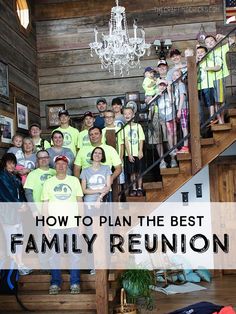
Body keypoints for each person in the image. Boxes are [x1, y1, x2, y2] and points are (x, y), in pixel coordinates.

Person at [41, 155, 83, 295]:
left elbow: (80, 203)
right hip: (54, 224)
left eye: (63, 164)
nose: (61, 166)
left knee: (74, 254)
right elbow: (45, 206)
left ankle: (75, 282)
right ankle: (55, 283)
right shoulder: (48, 182)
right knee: (54, 254)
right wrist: (45, 226)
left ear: (67, 166)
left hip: (72, 223)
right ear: (55, 166)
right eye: (58, 164)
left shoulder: (74, 181)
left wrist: (81, 222)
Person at [0, 153, 32, 275]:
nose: (12, 165)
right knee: (11, 240)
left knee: (18, 239)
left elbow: (20, 192)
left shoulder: (13, 176)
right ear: (4, 163)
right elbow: (6, 194)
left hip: (18, 213)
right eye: (9, 162)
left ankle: (20, 263)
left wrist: (24, 204)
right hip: (8, 213)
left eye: (13, 163)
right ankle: (15, 267)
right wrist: (20, 205)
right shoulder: (2, 176)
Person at [24, 149, 56, 269]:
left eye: (45, 157)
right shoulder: (33, 174)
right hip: (40, 211)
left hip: (55, 212)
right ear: (37, 160)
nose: (43, 159)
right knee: (41, 238)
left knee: (56, 238)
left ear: (49, 158)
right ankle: (44, 264)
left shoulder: (55, 172)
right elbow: (28, 193)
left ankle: (55, 263)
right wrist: (33, 210)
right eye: (40, 158)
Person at [74, 127, 122, 193]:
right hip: (87, 189)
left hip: (105, 189)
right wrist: (78, 184)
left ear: (101, 135)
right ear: (89, 137)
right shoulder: (82, 150)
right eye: (91, 134)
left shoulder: (110, 149)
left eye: (96, 134)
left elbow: (119, 168)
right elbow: (77, 169)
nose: (93, 136)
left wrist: (111, 178)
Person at [204, 34, 233, 124]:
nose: (210, 43)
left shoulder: (221, 48)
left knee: (221, 100)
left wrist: (223, 36)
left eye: (211, 41)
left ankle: (221, 119)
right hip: (210, 81)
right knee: (216, 101)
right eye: (207, 42)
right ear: (206, 45)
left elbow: (232, 41)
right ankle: (219, 119)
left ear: (215, 41)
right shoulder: (207, 54)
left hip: (220, 77)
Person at [122, 107, 145, 196]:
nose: (127, 115)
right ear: (123, 116)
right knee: (132, 172)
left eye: (129, 113)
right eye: (125, 114)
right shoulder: (124, 128)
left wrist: (140, 150)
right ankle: (134, 188)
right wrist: (129, 154)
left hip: (138, 153)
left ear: (133, 115)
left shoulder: (138, 126)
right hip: (130, 154)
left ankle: (139, 188)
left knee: (139, 171)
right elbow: (126, 142)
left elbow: (141, 139)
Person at [157, 80, 177, 168]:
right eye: (160, 85)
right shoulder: (157, 94)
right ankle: (163, 161)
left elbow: (172, 101)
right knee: (161, 140)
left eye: (164, 85)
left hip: (169, 118)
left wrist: (169, 91)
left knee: (171, 137)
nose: (162, 87)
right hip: (160, 119)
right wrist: (157, 95)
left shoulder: (169, 94)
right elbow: (149, 102)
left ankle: (173, 158)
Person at [196, 45, 215, 126]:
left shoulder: (210, 61)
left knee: (210, 102)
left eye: (202, 52)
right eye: (198, 52)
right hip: (199, 86)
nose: (200, 53)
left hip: (208, 85)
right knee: (201, 104)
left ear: (206, 53)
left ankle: (212, 118)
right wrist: (197, 60)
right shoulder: (197, 64)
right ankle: (202, 122)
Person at [172, 69, 189, 153]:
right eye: (174, 75)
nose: (175, 77)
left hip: (183, 108)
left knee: (184, 127)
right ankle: (184, 146)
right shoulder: (176, 86)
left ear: (181, 77)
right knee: (183, 127)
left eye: (177, 75)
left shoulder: (181, 85)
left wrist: (179, 110)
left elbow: (182, 97)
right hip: (180, 108)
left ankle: (185, 147)